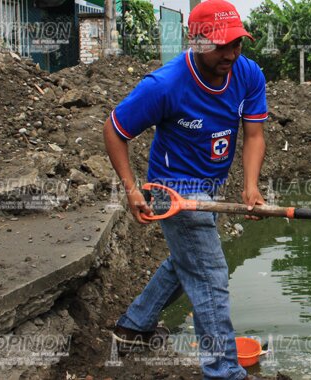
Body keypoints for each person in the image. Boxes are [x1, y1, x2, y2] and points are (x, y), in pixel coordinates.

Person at [102, 1, 267, 379]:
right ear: (195, 42)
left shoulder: (248, 74)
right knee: (210, 276)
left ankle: (133, 327)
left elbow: (254, 134)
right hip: (172, 190)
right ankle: (224, 371)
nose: (231, 54)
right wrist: (131, 190)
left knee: (186, 262)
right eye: (221, 46)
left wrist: (252, 187)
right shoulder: (165, 85)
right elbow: (115, 130)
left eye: (236, 44)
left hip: (211, 183)